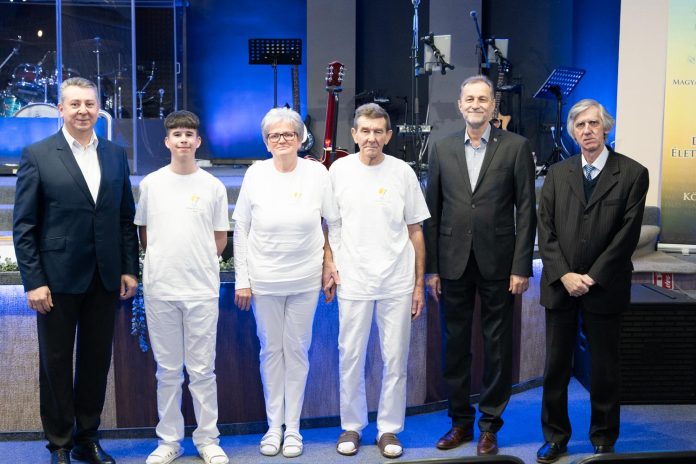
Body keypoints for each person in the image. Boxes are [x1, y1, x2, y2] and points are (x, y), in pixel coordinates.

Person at [12, 77, 139, 464]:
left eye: (90, 103)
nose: (83, 110)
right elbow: (24, 226)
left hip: (104, 277)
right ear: (61, 109)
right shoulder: (37, 154)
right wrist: (34, 282)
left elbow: (124, 218)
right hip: (56, 279)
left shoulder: (115, 154)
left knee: (96, 362)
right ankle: (60, 444)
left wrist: (129, 268)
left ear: (99, 108)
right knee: (55, 363)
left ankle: (87, 438)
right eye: (75, 104)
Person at [424, 75, 537, 456]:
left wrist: (521, 266)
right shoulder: (441, 148)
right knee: (455, 347)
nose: (476, 104)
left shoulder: (516, 147)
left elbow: (527, 210)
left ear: (493, 106)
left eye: (483, 99)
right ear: (460, 105)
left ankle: (490, 426)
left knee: (496, 347)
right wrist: (432, 268)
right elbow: (432, 211)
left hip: (499, 264)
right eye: (469, 98)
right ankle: (459, 422)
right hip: (452, 263)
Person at [535, 99, 649, 463]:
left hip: (605, 286)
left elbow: (627, 236)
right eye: (580, 125)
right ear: (572, 133)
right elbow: (545, 229)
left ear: (606, 128)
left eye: (593, 124)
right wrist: (565, 274)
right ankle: (555, 437)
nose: (587, 130)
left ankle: (603, 438)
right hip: (561, 284)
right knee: (555, 368)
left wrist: (593, 276)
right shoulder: (557, 174)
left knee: (604, 368)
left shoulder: (633, 173)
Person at [232, 107, 339, 459]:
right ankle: (272, 427)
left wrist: (330, 264)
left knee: (296, 352)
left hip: (305, 280)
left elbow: (333, 222)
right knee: (270, 351)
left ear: (299, 138)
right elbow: (241, 228)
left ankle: (293, 428)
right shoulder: (255, 174)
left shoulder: (316, 174)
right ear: (266, 142)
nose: (281, 140)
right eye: (274, 135)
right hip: (264, 281)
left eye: (288, 134)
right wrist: (243, 279)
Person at [328, 103, 430, 459]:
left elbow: (416, 231)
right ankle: (352, 426)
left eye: (378, 132)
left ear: (388, 136)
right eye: (365, 131)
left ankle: (388, 429)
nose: (371, 138)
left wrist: (418, 285)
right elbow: (329, 225)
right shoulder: (338, 171)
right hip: (352, 280)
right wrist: (329, 264)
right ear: (354, 134)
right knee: (350, 356)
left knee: (395, 359)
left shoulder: (403, 173)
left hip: (396, 281)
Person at [134, 111, 230, 464]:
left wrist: (196, 262)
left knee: (203, 371)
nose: (184, 139)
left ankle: (207, 439)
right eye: (177, 134)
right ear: (167, 141)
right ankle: (169, 441)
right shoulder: (151, 184)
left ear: (198, 141)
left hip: (201, 290)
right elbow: (145, 235)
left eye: (189, 134)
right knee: (168, 372)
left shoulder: (213, 186)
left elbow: (220, 239)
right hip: (161, 289)